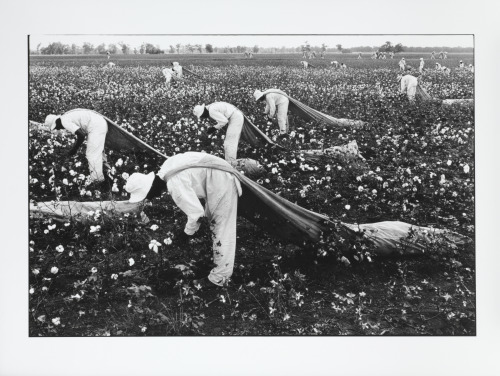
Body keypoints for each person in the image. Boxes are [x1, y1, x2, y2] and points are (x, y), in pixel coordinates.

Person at [125, 152, 242, 289]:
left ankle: (219, 279)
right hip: (218, 175)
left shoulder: (174, 183)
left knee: (222, 228)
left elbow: (197, 215)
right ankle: (218, 261)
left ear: (150, 187)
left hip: (222, 179)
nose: (151, 198)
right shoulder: (166, 168)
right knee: (214, 222)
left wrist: (186, 234)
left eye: (148, 195)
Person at [44, 109, 110, 185]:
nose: (58, 129)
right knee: (98, 152)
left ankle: (98, 182)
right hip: (98, 123)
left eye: (56, 127)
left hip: (96, 126)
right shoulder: (66, 117)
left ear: (56, 122)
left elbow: (81, 135)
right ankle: (108, 175)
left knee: (92, 155)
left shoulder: (64, 121)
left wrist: (74, 149)